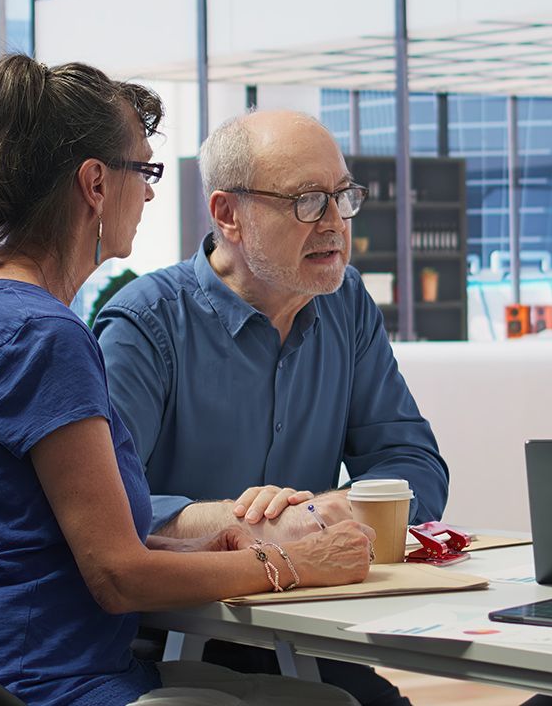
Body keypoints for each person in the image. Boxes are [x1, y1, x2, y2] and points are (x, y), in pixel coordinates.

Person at [0, 57, 374, 706]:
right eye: (145, 171)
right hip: (47, 681)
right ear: (96, 184)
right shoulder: (44, 335)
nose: (152, 194)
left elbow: (43, 545)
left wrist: (205, 550)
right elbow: (117, 577)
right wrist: (294, 564)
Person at [97, 110, 449, 706]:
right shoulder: (144, 324)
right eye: (308, 201)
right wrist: (242, 524)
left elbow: (414, 463)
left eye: (342, 196)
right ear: (227, 214)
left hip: (308, 624)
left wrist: (330, 510)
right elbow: (105, 516)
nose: (336, 223)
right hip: (164, 640)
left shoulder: (346, 302)